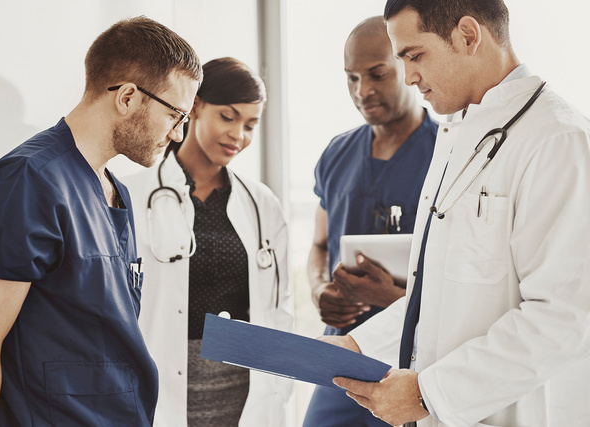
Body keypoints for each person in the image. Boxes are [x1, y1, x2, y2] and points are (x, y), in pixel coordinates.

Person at [330, 1, 590, 426]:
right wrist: (357, 344)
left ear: (468, 35)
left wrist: (429, 394)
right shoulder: (456, 133)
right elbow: (436, 293)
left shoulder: (558, 140)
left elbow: (566, 317)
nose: (409, 76)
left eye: (415, 56)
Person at [0, 17, 202, 426]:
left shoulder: (113, 189)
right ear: (127, 97)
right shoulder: (26, 182)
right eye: (176, 115)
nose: (178, 134)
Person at [122, 57, 294, 427]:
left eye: (250, 125)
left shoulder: (262, 204)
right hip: (160, 388)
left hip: (244, 392)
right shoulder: (133, 195)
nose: (239, 136)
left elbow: (279, 309)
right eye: (228, 117)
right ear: (195, 106)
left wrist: (279, 392)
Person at [304, 16, 438, 427]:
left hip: (412, 360)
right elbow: (320, 245)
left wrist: (393, 298)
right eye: (352, 78)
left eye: (377, 75)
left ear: (407, 68)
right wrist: (318, 291)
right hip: (342, 350)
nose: (363, 91)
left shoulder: (448, 157)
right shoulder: (336, 154)